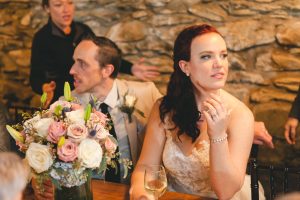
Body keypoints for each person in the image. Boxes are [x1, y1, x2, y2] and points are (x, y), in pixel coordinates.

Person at [130, 24, 265, 200]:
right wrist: (142, 195)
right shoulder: (164, 108)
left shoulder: (241, 115)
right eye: (206, 56)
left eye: (223, 55)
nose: (219, 64)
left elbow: (225, 192)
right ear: (185, 67)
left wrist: (217, 135)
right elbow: (146, 167)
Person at [33, 35, 162, 199]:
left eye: (82, 64)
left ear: (106, 70)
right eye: (74, 62)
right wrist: (37, 181)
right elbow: (36, 153)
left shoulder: (146, 94)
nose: (72, 70)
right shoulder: (65, 104)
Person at [30, 0, 160, 108]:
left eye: (70, 2)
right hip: (63, 101)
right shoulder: (42, 38)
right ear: (47, 8)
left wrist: (131, 68)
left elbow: (102, 56)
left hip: (89, 98)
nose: (66, 9)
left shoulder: (83, 30)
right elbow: (35, 78)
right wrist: (44, 87)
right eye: (58, 5)